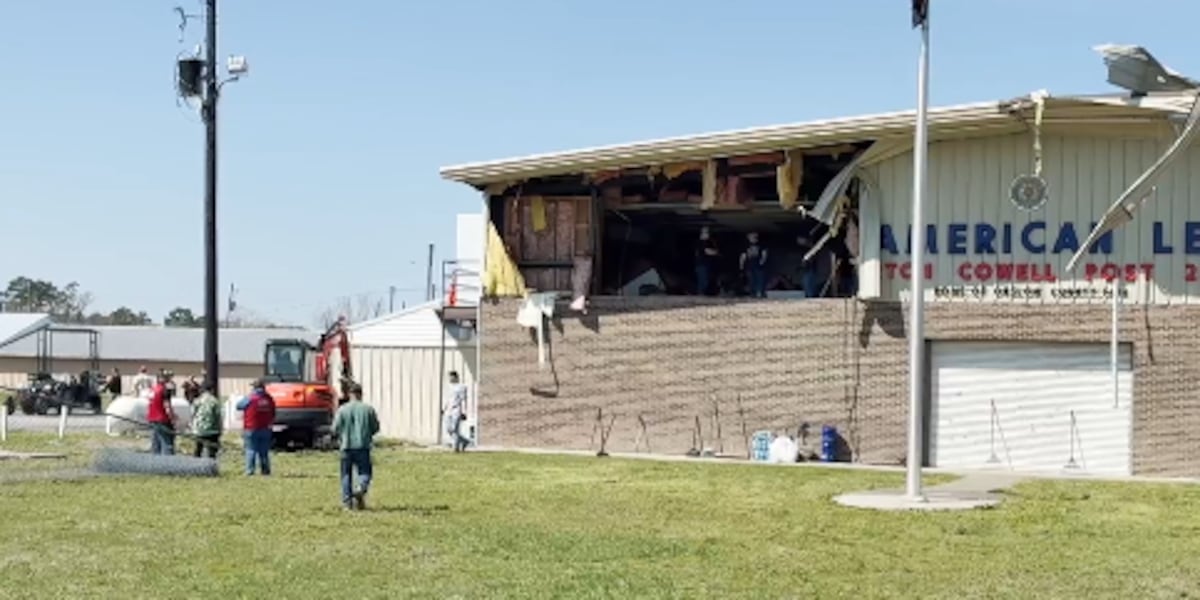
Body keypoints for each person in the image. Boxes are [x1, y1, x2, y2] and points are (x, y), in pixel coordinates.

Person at [331, 384, 380, 511]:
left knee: (346, 474)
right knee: (365, 472)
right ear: (361, 394)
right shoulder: (368, 409)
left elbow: (335, 429)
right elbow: (375, 428)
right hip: (363, 446)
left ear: (349, 394)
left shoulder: (342, 410)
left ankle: (347, 504)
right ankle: (361, 488)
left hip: (346, 446)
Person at [236, 380, 276, 476]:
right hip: (266, 428)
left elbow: (238, 406)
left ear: (254, 387)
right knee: (264, 451)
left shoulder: (250, 398)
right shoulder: (269, 399)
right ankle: (265, 470)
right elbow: (273, 412)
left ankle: (250, 471)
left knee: (251, 450)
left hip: (251, 428)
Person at [146, 371, 177, 455]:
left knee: (156, 443)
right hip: (162, 419)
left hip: (152, 419)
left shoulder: (153, 389)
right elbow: (167, 406)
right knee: (166, 442)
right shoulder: (164, 390)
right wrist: (173, 418)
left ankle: (155, 463)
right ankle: (167, 464)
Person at [190, 383, 223, 459]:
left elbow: (193, 414)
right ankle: (211, 466)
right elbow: (218, 416)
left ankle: (196, 465)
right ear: (212, 390)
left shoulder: (198, 400)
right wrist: (221, 428)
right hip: (212, 429)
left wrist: (192, 425)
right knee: (212, 451)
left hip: (199, 429)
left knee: (198, 449)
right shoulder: (215, 401)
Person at [444, 371, 469, 452]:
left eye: (451, 377)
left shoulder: (461, 387)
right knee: (449, 429)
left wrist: (464, 412)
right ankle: (465, 441)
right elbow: (447, 399)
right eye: (449, 377)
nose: (450, 379)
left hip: (456, 409)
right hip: (448, 410)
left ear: (455, 377)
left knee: (455, 429)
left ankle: (455, 448)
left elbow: (463, 400)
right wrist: (443, 408)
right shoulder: (448, 387)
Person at [740, 232, 769, 298]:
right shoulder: (746, 245)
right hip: (749, 266)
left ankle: (761, 293)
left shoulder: (761, 244)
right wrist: (741, 265)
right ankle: (752, 294)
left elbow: (764, 254)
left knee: (760, 279)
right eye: (750, 237)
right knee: (751, 280)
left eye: (753, 236)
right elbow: (743, 256)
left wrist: (762, 262)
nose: (751, 238)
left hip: (758, 265)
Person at [694, 226, 720, 296]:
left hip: (703, 265)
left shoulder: (706, 242)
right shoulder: (701, 242)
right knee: (703, 281)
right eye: (706, 233)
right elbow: (707, 251)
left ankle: (702, 294)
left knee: (705, 280)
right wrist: (716, 252)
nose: (708, 234)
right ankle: (701, 294)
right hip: (702, 265)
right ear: (702, 234)